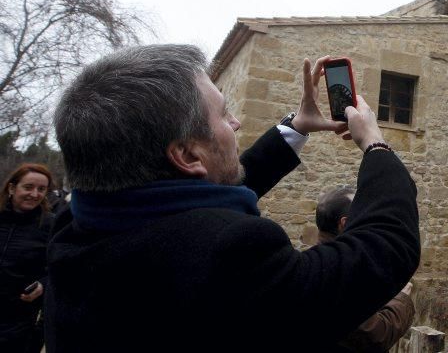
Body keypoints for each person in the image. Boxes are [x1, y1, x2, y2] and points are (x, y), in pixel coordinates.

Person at [45, 44, 420, 353]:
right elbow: (384, 246)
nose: (236, 123)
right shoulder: (227, 256)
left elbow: (199, 197)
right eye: (224, 115)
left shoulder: (75, 226)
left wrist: (296, 126)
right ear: (188, 155)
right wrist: (374, 143)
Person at [316, 186, 415, 352]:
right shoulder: (336, 275)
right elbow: (375, 337)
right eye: (364, 213)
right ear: (345, 224)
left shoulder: (318, 261)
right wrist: (401, 299)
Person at [0, 163, 54, 353]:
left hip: (19, 321)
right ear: (12, 188)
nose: (35, 194)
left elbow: (60, 270)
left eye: (41, 189)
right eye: (28, 187)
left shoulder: (51, 225)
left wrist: (42, 285)